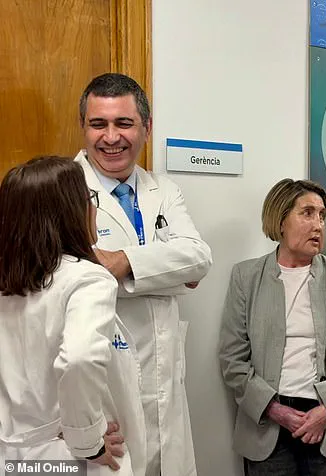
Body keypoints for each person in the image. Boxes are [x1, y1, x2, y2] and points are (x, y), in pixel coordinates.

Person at [75, 73, 212, 476]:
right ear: (83, 127)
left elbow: (198, 258)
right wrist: (168, 273)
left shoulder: (163, 189)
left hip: (166, 387)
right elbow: (73, 280)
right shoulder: (61, 191)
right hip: (102, 396)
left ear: (147, 128)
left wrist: (122, 264)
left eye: (124, 123)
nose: (110, 137)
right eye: (98, 124)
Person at [0, 157, 146, 475]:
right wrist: (88, 442)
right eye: (89, 197)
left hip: (15, 456)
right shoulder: (86, 279)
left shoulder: (8, 285)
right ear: (70, 212)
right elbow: (80, 359)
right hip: (71, 458)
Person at [218, 178, 326, 475]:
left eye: (322, 216)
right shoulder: (246, 278)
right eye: (307, 213)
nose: (318, 225)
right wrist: (275, 410)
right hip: (268, 429)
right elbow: (232, 360)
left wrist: (325, 412)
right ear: (280, 220)